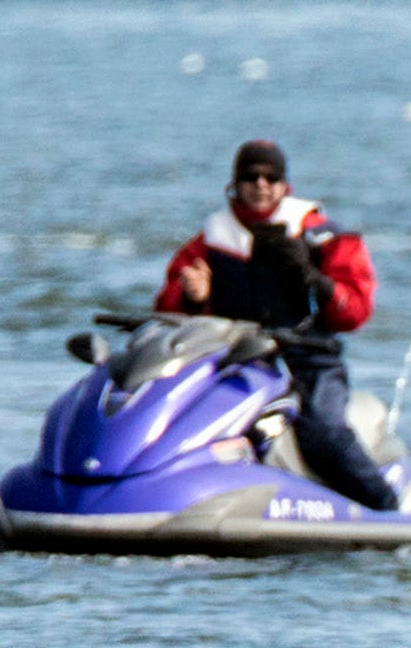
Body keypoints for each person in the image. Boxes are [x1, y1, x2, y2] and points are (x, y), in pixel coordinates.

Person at [154, 140, 398, 511]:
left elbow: (356, 310)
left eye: (271, 177)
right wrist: (194, 297)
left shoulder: (323, 237)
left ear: (285, 185)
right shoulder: (207, 245)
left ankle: (387, 510)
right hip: (237, 363)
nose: (261, 185)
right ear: (235, 185)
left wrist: (312, 278)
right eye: (251, 177)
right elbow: (171, 316)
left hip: (310, 363)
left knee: (323, 433)